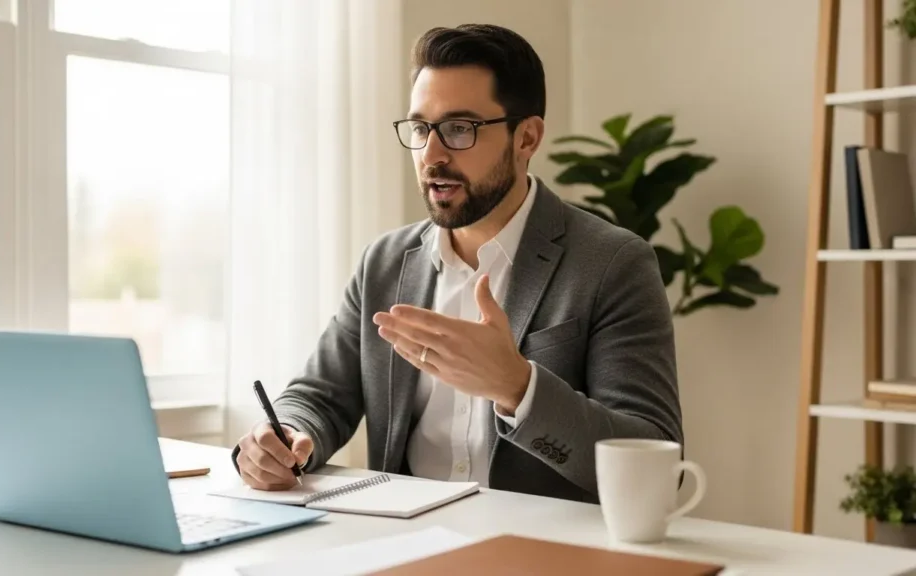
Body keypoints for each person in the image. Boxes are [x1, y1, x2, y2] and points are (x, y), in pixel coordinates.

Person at [232, 23, 683, 503]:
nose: (432, 154)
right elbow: (320, 396)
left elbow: (656, 463)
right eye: (420, 128)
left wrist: (518, 387)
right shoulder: (384, 262)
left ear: (527, 138)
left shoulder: (613, 263)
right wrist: (284, 436)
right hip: (404, 533)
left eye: (459, 129)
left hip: (537, 542)